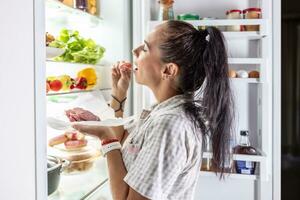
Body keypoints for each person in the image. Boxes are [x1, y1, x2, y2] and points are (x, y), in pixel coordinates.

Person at [73, 20, 234, 200]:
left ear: (168, 70)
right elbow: (122, 145)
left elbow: (113, 146)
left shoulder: (170, 124)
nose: (135, 51)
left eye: (145, 48)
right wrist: (119, 93)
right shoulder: (160, 111)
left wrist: (105, 136)